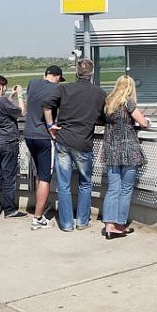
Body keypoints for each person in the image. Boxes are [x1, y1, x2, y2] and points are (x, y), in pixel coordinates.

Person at [43, 59, 107, 232]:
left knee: (63, 184)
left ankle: (66, 224)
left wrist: (51, 127)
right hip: (83, 142)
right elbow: (105, 116)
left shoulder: (64, 88)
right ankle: (82, 221)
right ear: (92, 73)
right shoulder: (99, 93)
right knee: (85, 183)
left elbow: (47, 106)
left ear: (77, 73)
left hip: (63, 140)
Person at [101, 76, 150, 240]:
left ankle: (109, 225)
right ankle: (120, 224)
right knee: (126, 189)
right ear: (130, 88)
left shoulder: (108, 102)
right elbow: (142, 122)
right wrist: (146, 121)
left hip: (111, 150)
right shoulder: (129, 102)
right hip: (129, 151)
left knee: (113, 188)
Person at [24, 65, 65, 230]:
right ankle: (38, 217)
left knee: (38, 174)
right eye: (58, 79)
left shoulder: (32, 83)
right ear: (56, 76)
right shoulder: (56, 89)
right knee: (46, 177)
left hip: (29, 134)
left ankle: (40, 205)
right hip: (44, 136)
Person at [0, 75, 27, 218]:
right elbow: (21, 111)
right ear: (1, 86)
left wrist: (11, 96)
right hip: (8, 142)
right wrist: (20, 95)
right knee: (9, 177)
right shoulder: (1, 101)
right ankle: (10, 209)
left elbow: (3, 107)